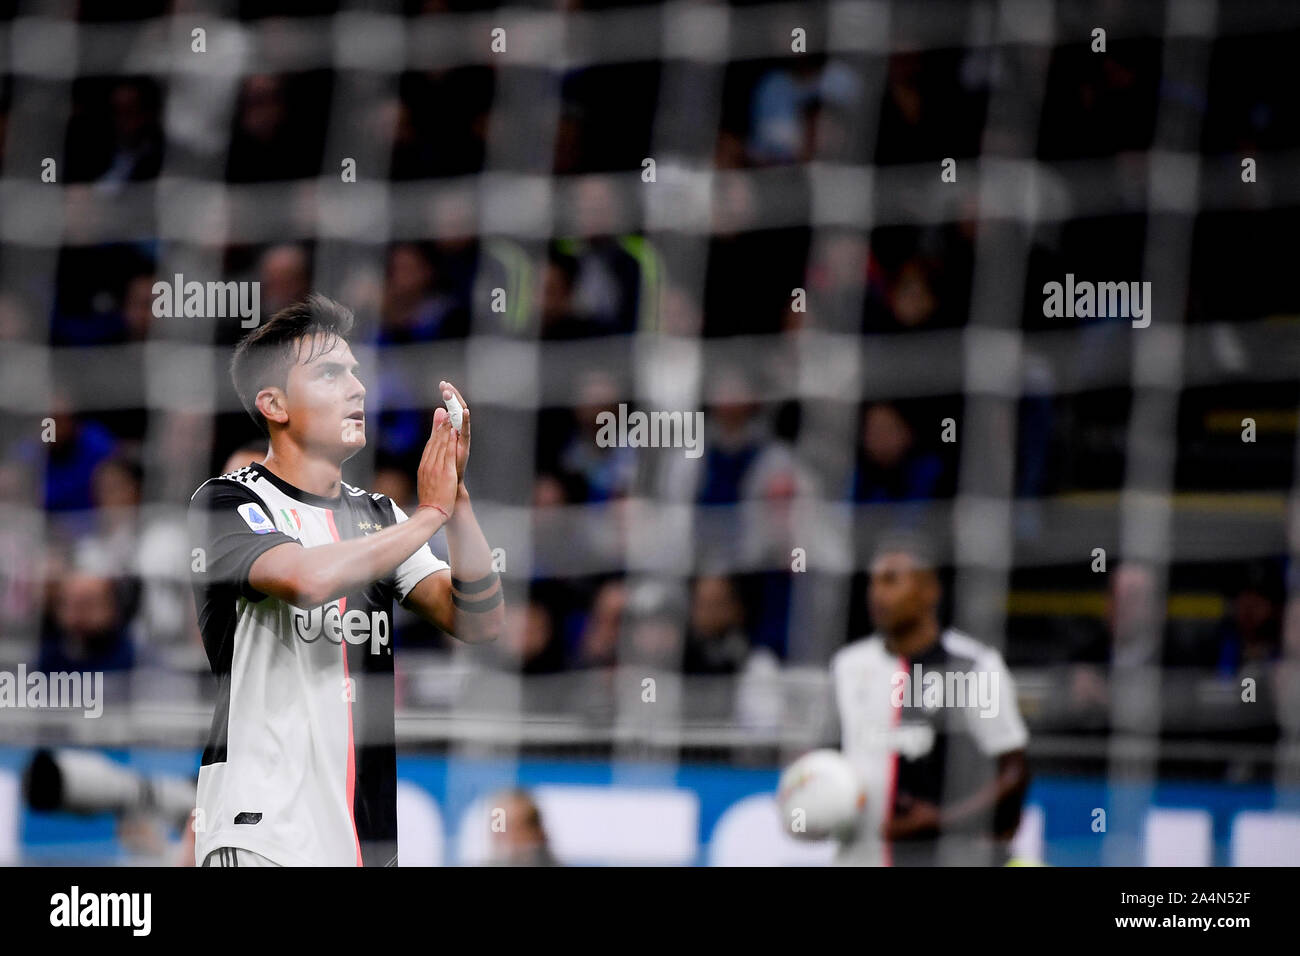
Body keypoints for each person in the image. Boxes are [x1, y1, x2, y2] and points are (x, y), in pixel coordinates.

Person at [188, 294, 503, 867]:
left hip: (364, 843)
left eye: (357, 373)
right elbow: (305, 579)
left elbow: (478, 620)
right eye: (331, 373)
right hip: (263, 834)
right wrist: (428, 515)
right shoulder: (227, 500)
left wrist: (454, 503)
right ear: (274, 403)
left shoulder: (380, 517)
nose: (357, 387)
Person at [829, 533, 1029, 866]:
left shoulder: (973, 666)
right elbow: (827, 758)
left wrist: (942, 820)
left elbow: (1014, 773)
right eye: (873, 582)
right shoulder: (847, 666)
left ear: (929, 590)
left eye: (891, 580)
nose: (877, 594)